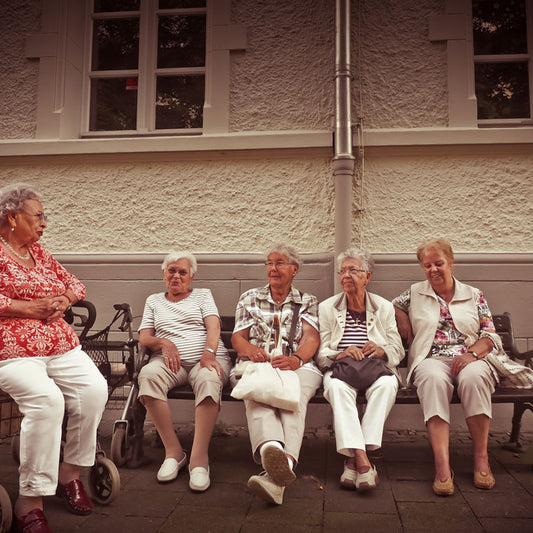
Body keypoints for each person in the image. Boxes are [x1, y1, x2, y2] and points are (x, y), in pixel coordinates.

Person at [0, 184, 108, 532]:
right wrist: (22, 307)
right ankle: (30, 499)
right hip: (13, 350)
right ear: (13, 217)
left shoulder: (39, 253)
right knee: (47, 402)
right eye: (39, 215)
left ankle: (69, 474)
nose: (45, 222)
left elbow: (75, 284)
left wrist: (64, 299)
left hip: (59, 345)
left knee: (94, 390)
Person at [392, 238, 508, 495]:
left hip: (471, 358)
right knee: (432, 380)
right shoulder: (414, 292)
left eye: (438, 263)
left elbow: (491, 335)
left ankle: (481, 459)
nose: (433, 269)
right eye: (427, 265)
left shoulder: (474, 295)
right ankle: (442, 466)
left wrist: (473, 354)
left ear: (451, 263)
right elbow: (394, 306)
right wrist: (403, 320)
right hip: (430, 358)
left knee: (474, 379)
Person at [231, 243, 322, 505]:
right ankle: (273, 451)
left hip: (298, 365)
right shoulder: (250, 297)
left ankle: (279, 467)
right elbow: (238, 338)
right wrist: (252, 350)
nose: (272, 268)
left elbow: (311, 338)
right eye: (269, 263)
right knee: (257, 395)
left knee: (295, 399)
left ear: (294, 270)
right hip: (259, 364)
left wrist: (296, 359)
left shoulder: (307, 301)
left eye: (279, 263)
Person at [137, 251, 231, 492]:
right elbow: (145, 337)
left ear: (191, 277)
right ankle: (174, 452)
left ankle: (199, 460)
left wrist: (209, 352)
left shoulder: (202, 295)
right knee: (147, 376)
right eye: (171, 271)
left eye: (182, 272)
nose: (176, 276)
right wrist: (163, 343)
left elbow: (214, 326)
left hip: (206, 358)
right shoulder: (154, 300)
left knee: (209, 379)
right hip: (169, 362)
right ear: (164, 274)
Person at [317, 248, 404, 492]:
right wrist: (341, 353)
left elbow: (397, 349)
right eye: (342, 271)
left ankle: (354, 459)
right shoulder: (327, 308)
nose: (346, 275)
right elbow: (321, 352)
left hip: (376, 369)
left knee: (387, 385)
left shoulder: (384, 307)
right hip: (341, 370)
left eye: (353, 270)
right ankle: (363, 460)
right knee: (335, 387)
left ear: (367, 276)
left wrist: (379, 350)